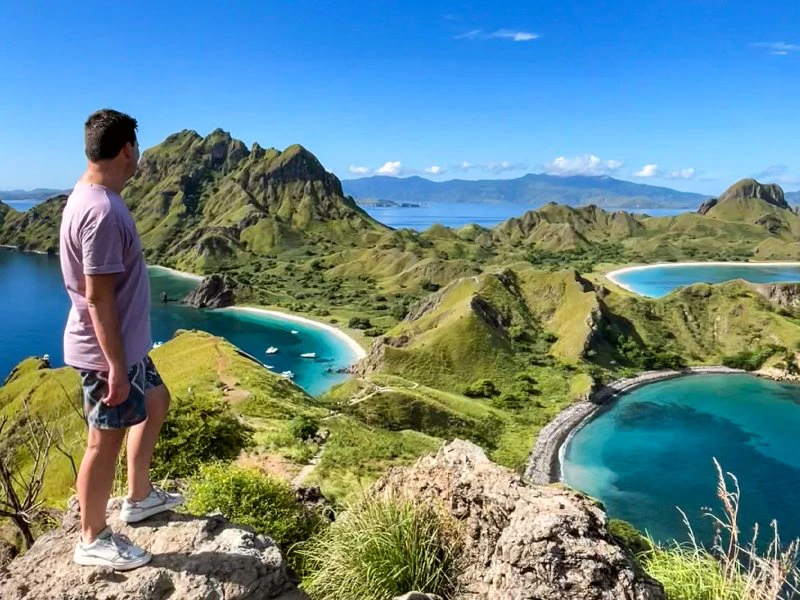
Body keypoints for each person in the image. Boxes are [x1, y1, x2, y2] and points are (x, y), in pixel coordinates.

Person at [59, 109, 183, 571]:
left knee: (156, 400)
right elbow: (98, 297)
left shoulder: (91, 196)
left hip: (127, 348)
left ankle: (140, 496)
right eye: (137, 149)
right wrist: (113, 366)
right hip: (107, 354)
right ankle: (92, 538)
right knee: (102, 442)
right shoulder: (102, 211)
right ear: (127, 149)